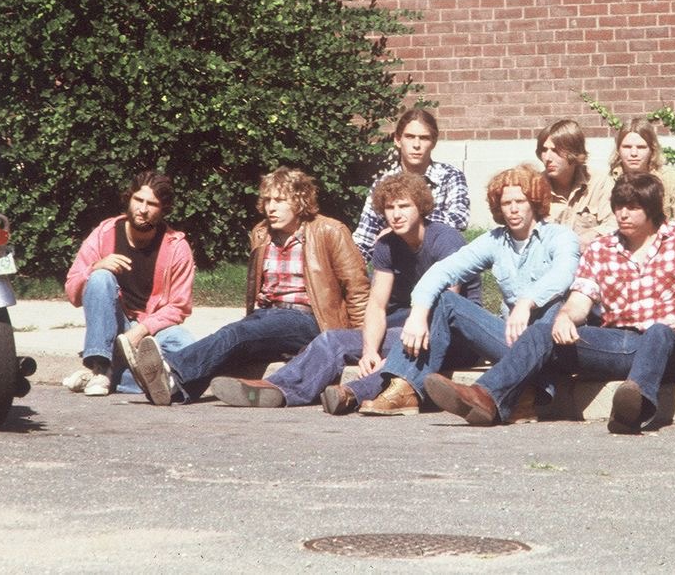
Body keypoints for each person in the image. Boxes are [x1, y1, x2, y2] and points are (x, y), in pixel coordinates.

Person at [424, 173, 675, 434]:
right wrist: (567, 317)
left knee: (659, 332)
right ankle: (486, 397)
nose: (623, 214)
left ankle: (633, 409)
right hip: (618, 341)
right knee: (543, 330)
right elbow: (581, 299)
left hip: (671, 343)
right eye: (619, 207)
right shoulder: (602, 248)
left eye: (633, 208)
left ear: (651, 210)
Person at [207, 173, 480, 409]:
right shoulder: (386, 245)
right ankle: (277, 390)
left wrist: (388, 349)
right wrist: (370, 350)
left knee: (400, 346)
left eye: (404, 206)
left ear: (420, 207)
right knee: (332, 340)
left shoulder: (445, 240)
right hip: (409, 322)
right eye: (389, 207)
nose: (396, 214)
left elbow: (447, 303)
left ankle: (353, 393)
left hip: (456, 335)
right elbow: (376, 305)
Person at [336, 164, 580, 417]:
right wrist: (418, 314)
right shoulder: (494, 241)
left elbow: (563, 274)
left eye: (521, 201)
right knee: (445, 300)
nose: (514, 209)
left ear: (535, 202)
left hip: (552, 341)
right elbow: (443, 272)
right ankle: (404, 389)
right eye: (507, 202)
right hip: (508, 337)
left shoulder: (560, 237)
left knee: (553, 307)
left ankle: (518, 393)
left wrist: (526, 302)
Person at [126, 167, 369, 405]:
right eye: (267, 200)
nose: (270, 207)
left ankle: (171, 368)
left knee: (236, 335)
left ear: (300, 201)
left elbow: (356, 287)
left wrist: (361, 341)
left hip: (309, 318)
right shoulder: (262, 232)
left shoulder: (329, 230)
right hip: (266, 315)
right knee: (231, 342)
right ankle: (175, 390)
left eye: (280, 200)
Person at [62, 171, 196, 396]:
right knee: (100, 277)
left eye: (152, 204)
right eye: (138, 200)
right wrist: (95, 267)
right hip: (113, 325)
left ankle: (109, 376)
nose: (142, 209)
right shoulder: (105, 233)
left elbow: (179, 306)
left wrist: (141, 331)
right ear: (129, 198)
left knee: (187, 349)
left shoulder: (176, 246)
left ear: (163, 209)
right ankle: (101, 367)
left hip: (151, 328)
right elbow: (73, 290)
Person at [352, 109, 469, 261]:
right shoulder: (383, 183)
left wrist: (402, 226)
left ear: (433, 142)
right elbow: (364, 239)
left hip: (438, 260)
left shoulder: (450, 175)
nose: (416, 145)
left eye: (424, 138)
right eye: (410, 137)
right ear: (397, 140)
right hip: (395, 263)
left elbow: (459, 220)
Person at [537, 119, 613, 249]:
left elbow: (614, 224)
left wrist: (587, 238)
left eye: (555, 150)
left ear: (574, 152)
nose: (547, 158)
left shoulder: (598, 182)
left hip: (590, 260)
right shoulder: (535, 187)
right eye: (544, 150)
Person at [609, 117, 675, 225]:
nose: (633, 153)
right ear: (618, 149)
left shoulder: (670, 178)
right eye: (627, 147)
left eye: (641, 147)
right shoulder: (608, 181)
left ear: (652, 149)